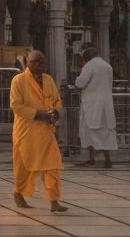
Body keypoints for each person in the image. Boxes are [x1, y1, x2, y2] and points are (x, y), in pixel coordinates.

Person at [9, 49, 67, 212]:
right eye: (36, 61)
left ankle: (54, 201)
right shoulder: (18, 81)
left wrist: (55, 112)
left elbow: (56, 100)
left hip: (46, 131)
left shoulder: (48, 80)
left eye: (43, 62)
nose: (40, 65)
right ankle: (18, 193)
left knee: (53, 165)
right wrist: (38, 114)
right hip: (26, 132)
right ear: (27, 62)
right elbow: (16, 105)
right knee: (23, 167)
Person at [75, 46, 117, 168]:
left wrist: (77, 78)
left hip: (92, 104)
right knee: (106, 131)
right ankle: (107, 159)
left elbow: (80, 83)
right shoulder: (107, 66)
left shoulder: (89, 66)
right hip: (106, 104)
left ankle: (91, 158)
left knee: (90, 131)